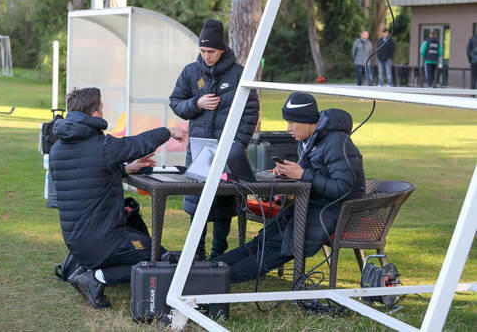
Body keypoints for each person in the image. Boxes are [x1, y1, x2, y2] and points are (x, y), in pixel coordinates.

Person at [49, 87, 186, 308]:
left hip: (77, 243)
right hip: (104, 241)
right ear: (94, 113)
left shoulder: (57, 148)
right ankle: (96, 278)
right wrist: (169, 131)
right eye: (102, 109)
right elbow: (136, 144)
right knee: (157, 257)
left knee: (148, 248)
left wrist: (125, 170)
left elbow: (84, 176)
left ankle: (88, 270)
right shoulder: (102, 146)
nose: (103, 113)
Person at [212, 92, 365, 283]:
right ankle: (207, 269)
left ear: (308, 121)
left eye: (293, 122)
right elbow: (315, 175)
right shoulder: (308, 140)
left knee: (276, 247)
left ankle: (217, 278)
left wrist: (302, 174)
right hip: (309, 206)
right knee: (264, 239)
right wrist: (289, 172)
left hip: (335, 213)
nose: (289, 128)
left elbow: (343, 189)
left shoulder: (337, 142)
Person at [169, 19, 259, 259]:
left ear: (222, 50)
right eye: (203, 51)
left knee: (224, 205)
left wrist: (236, 146)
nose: (206, 56)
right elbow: (175, 102)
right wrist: (196, 104)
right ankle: (196, 254)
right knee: (196, 203)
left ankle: (219, 255)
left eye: (211, 51)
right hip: (197, 153)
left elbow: (250, 112)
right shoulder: (190, 72)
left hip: (228, 153)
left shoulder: (239, 74)